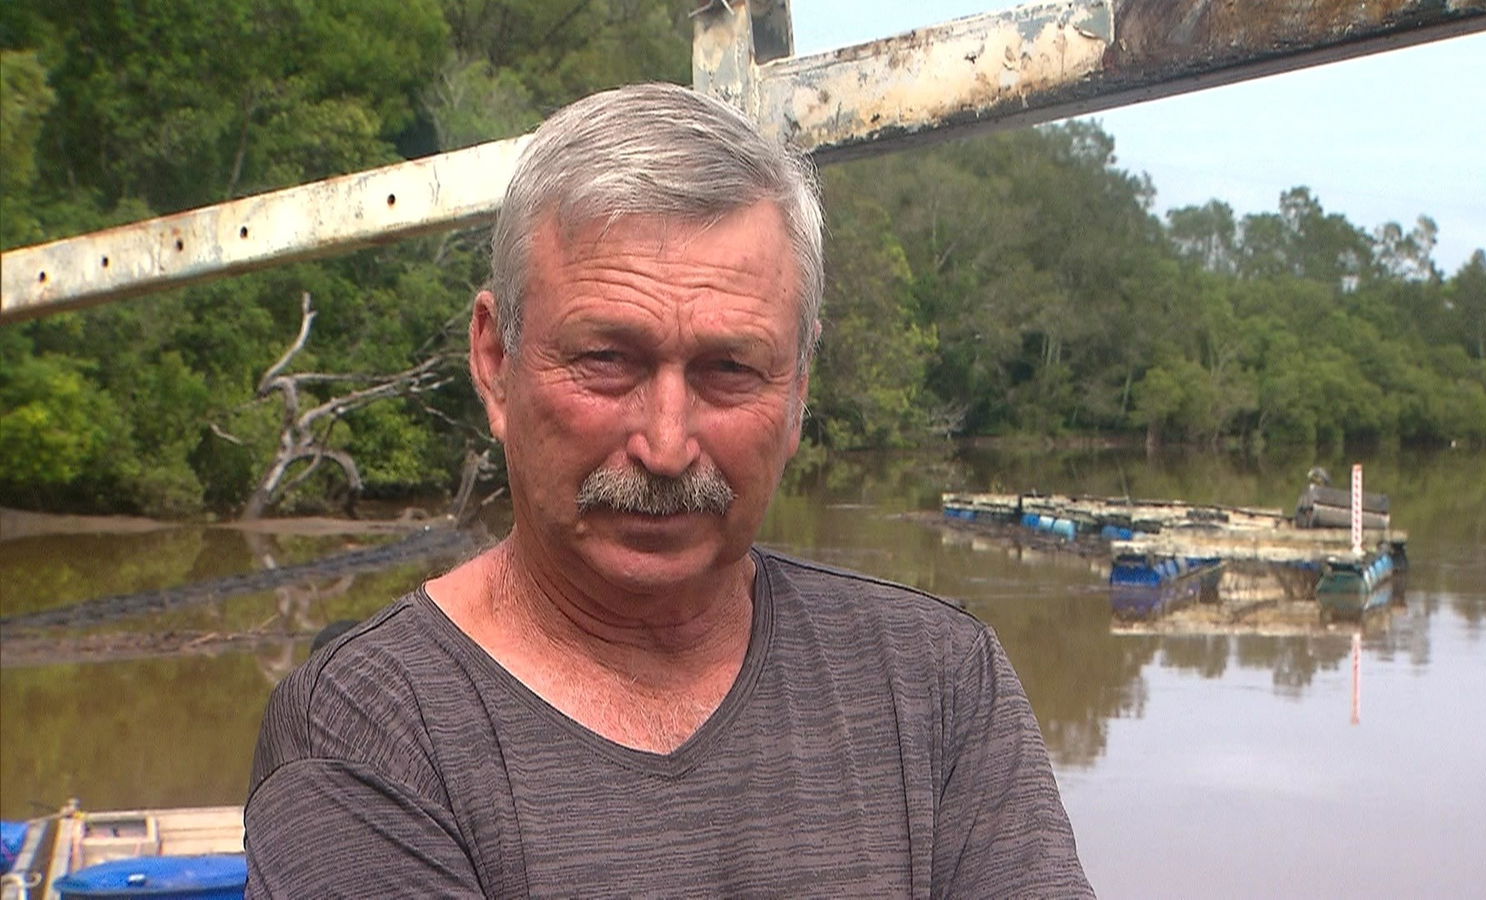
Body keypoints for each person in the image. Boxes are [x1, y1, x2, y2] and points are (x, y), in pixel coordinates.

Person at [244, 82, 1094, 898]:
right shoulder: (370, 730)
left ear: (799, 389)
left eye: (730, 370)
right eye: (608, 360)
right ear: (496, 361)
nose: (666, 445)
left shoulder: (935, 681)